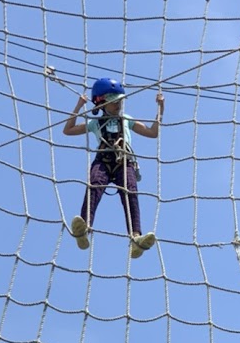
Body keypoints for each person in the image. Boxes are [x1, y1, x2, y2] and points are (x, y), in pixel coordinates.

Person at [63, 77, 164, 258]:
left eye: (119, 101)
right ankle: (83, 229)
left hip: (124, 161)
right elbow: (68, 130)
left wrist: (160, 109)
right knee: (94, 185)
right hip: (103, 160)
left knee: (130, 192)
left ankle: (136, 238)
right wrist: (78, 106)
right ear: (101, 103)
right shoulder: (94, 124)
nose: (118, 105)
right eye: (113, 101)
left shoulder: (126, 119)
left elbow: (152, 132)